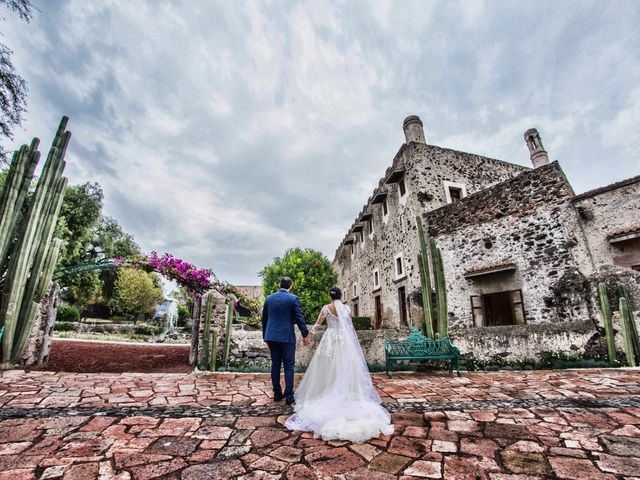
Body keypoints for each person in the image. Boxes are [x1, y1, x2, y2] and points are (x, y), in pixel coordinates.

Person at [285, 286, 394, 443]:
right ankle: (345, 393)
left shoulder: (326, 308)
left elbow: (317, 325)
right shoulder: (347, 308)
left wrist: (309, 336)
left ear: (330, 295)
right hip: (343, 340)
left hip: (330, 340)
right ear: (341, 295)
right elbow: (349, 326)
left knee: (327, 369)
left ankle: (326, 391)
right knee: (343, 366)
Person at [262, 276, 311, 405]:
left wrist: (265, 336)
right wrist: (305, 334)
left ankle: (277, 394)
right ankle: (289, 396)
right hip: (287, 337)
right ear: (291, 286)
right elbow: (299, 318)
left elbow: (264, 319)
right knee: (289, 366)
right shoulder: (293, 299)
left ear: (279, 285)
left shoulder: (269, 298)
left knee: (275, 364)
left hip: (271, 336)